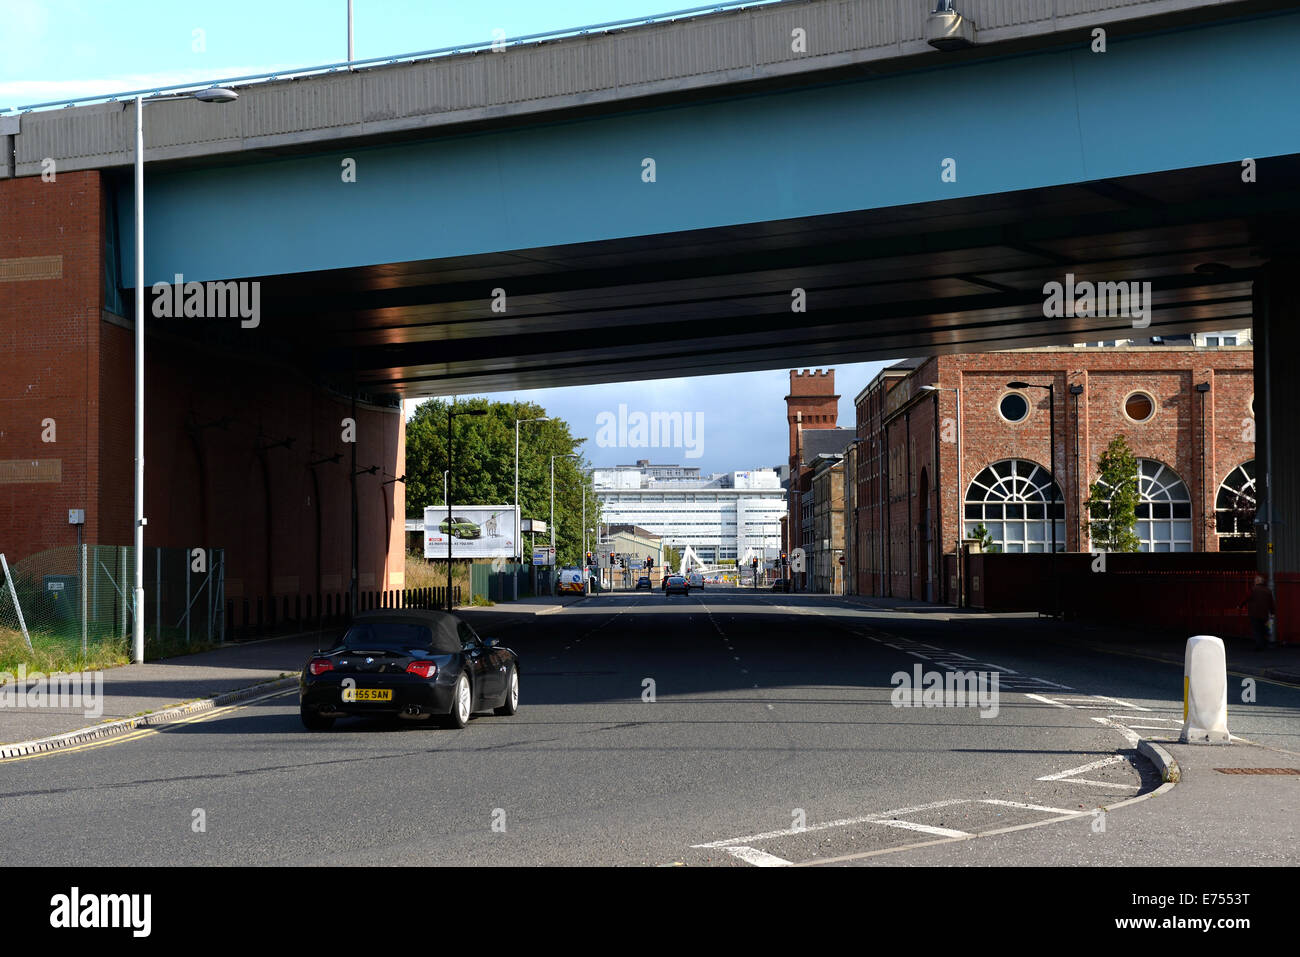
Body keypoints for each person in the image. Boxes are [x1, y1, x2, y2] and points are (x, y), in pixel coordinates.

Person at [1241, 575, 1276, 651]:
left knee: (1256, 630)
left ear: (1256, 582)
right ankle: (1264, 644)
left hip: (1254, 613)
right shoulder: (1268, 590)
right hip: (1264, 614)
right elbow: (1271, 603)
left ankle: (1259, 645)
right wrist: (1272, 613)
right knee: (1264, 629)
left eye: (1255, 580)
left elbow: (1245, 598)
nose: (1254, 581)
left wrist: (1240, 606)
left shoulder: (1253, 589)